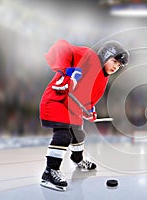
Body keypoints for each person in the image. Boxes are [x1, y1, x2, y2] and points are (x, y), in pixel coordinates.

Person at [39, 39, 129, 191]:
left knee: (79, 134)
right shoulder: (89, 57)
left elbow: (87, 99)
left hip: (71, 109)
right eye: (114, 61)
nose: (115, 67)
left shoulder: (103, 79)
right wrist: (64, 72)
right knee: (64, 135)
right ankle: (49, 171)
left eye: (119, 65)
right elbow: (62, 48)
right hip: (57, 100)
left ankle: (77, 159)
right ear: (105, 56)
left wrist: (89, 111)